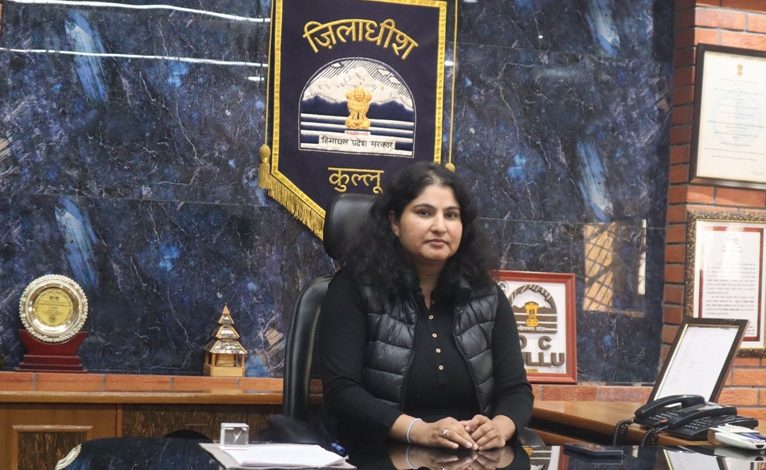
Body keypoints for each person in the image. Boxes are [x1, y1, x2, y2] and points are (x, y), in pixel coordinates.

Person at [319, 162, 533, 452]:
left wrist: (499, 428)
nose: (440, 227)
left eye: (451, 215)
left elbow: (516, 389)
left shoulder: (486, 295)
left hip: (472, 455)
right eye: (424, 212)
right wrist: (418, 431)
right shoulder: (353, 288)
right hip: (379, 452)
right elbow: (342, 392)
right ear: (394, 222)